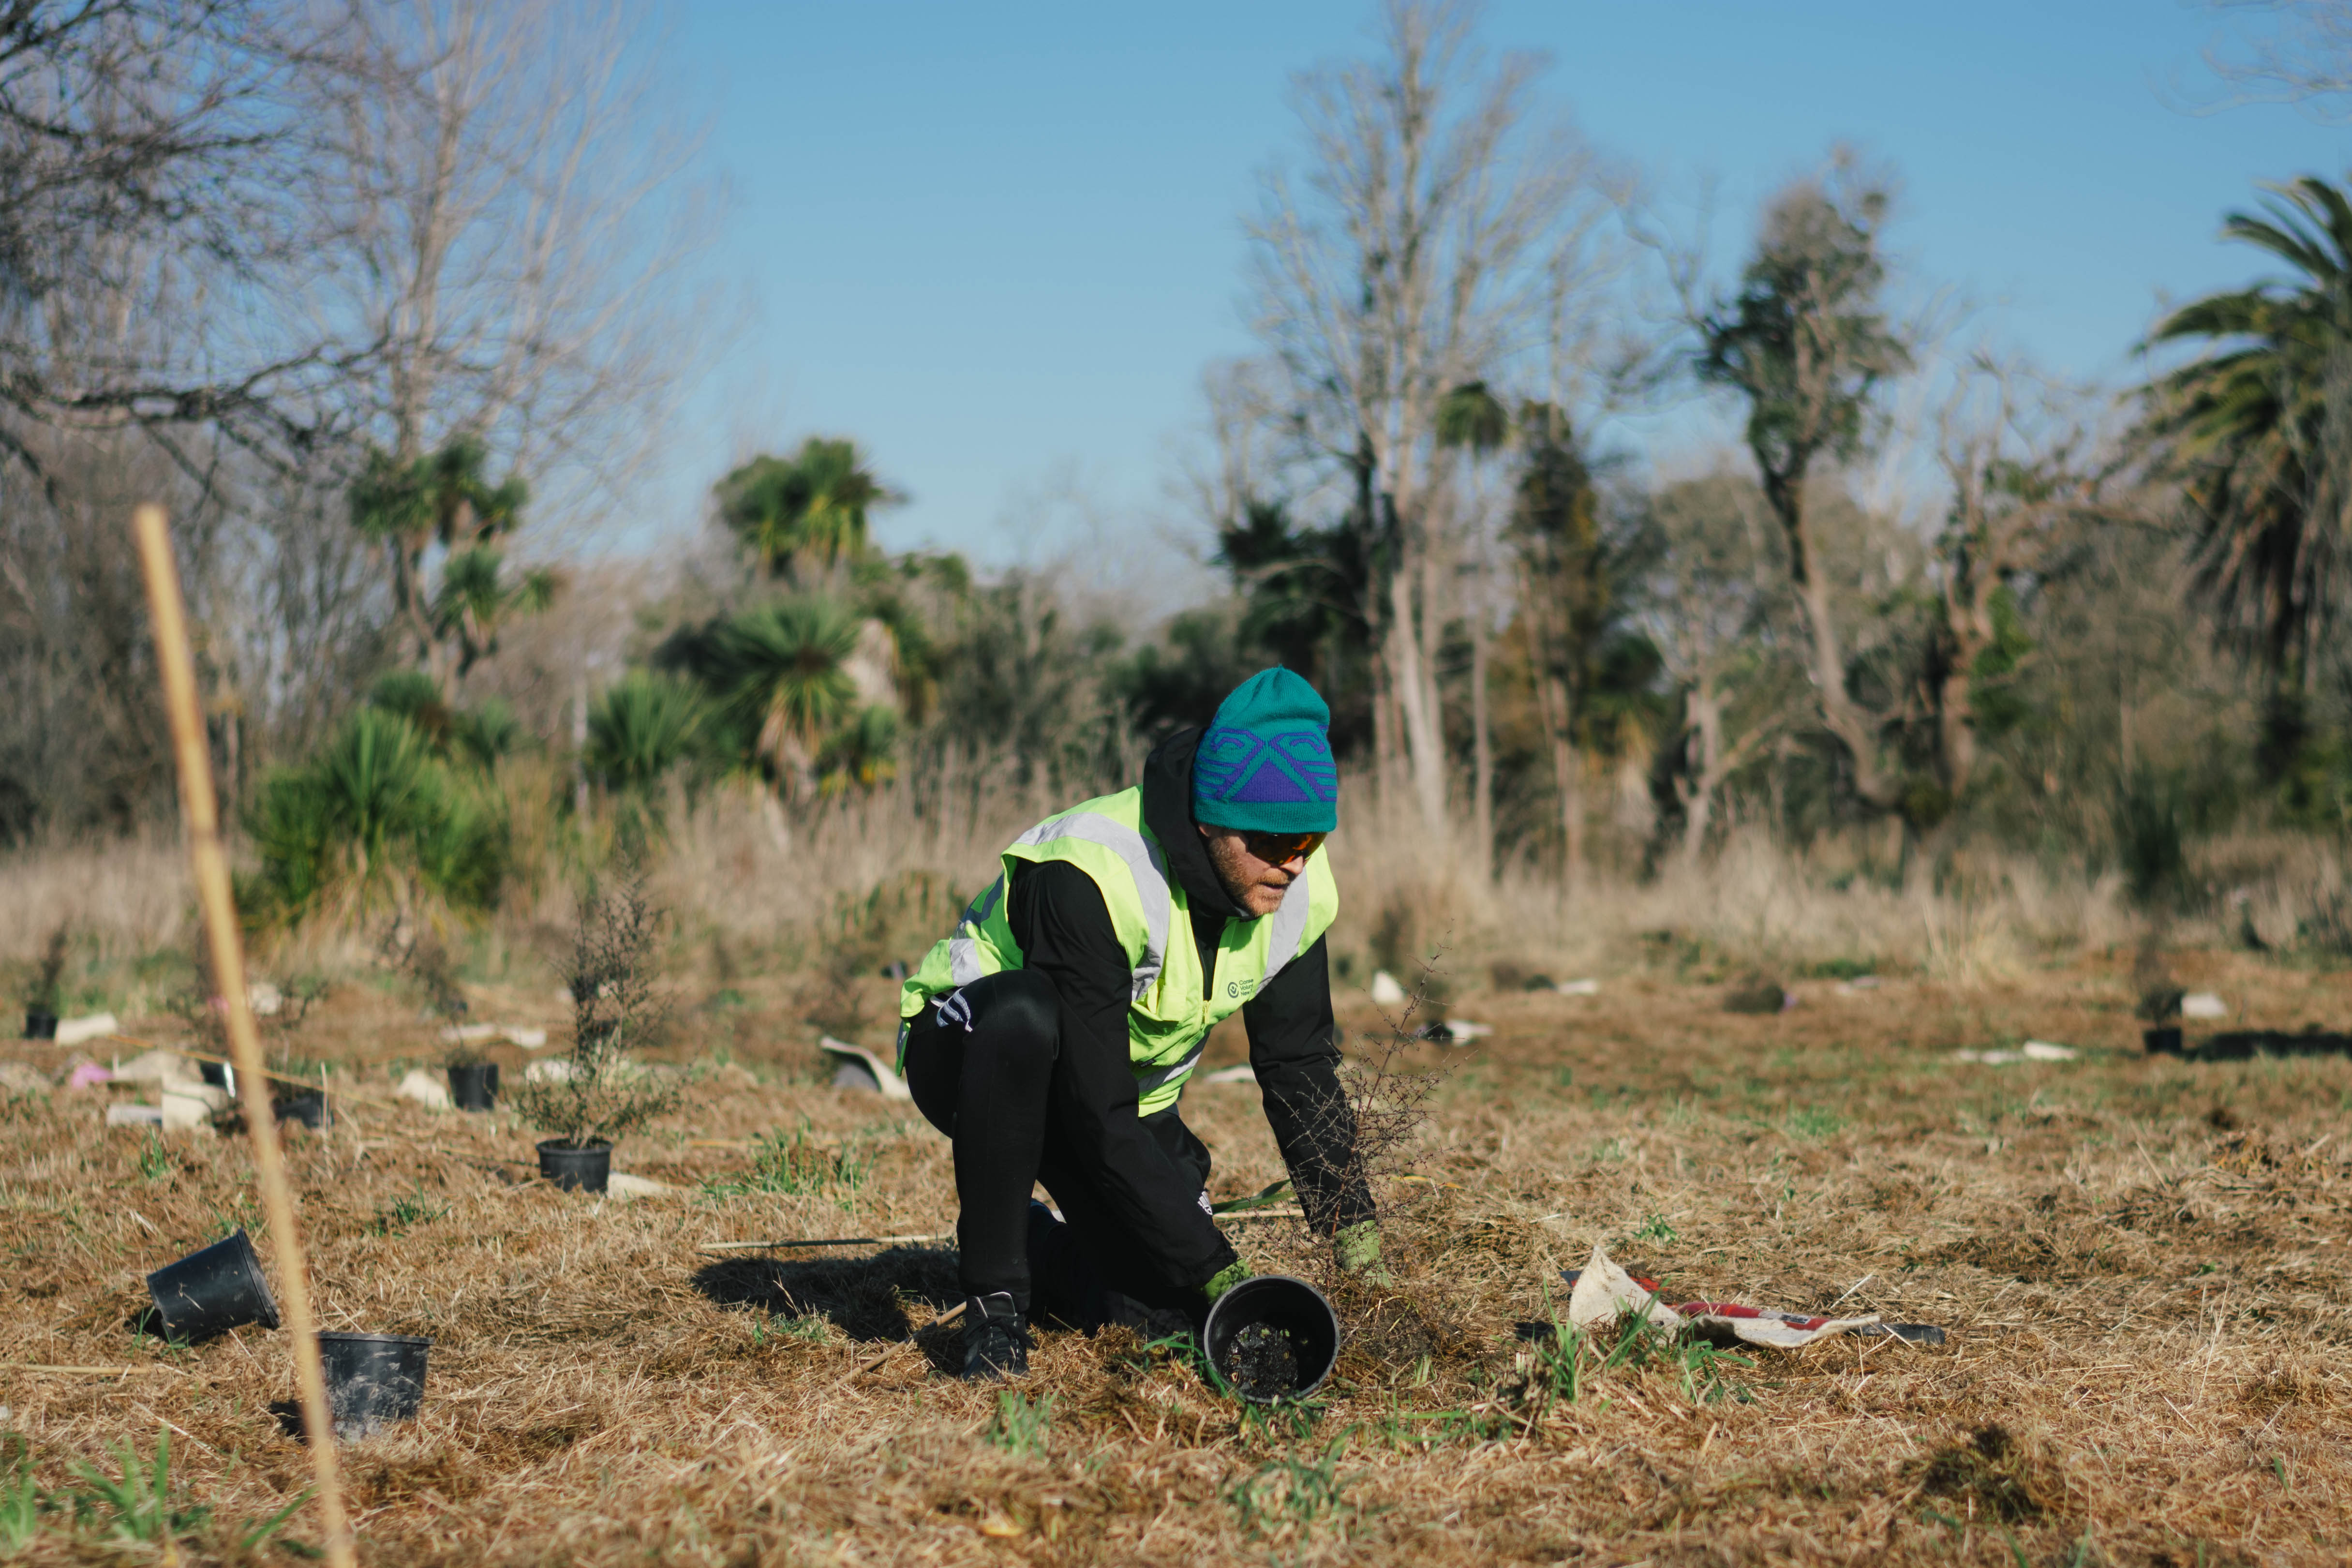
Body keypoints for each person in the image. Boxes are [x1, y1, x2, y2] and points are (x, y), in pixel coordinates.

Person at [896, 667, 1383, 1378]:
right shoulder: (1089, 871)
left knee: (1159, 1313)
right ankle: (994, 1305)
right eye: (1273, 844)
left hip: (1117, 1096)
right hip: (978, 1051)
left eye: (1308, 839)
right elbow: (1090, 1107)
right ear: (1211, 816)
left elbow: (1298, 1066)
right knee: (1023, 1018)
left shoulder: (1298, 890)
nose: (1293, 865)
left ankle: (1035, 1244)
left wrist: (1356, 1242)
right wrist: (1221, 1268)